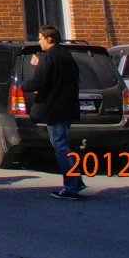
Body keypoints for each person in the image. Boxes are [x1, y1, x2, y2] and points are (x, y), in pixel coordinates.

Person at [24, 24, 85, 200]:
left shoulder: (49, 57)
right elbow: (59, 79)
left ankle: (71, 186)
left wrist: (24, 86)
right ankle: (76, 180)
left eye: (41, 38)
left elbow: (39, 81)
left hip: (55, 108)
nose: (39, 42)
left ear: (49, 39)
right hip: (68, 107)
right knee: (63, 144)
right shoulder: (66, 55)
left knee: (60, 146)